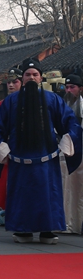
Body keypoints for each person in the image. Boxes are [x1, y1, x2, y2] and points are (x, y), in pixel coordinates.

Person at [0, 58, 81, 244]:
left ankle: (48, 230)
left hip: (47, 158)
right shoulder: (11, 101)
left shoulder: (52, 99)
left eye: (35, 75)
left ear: (40, 78)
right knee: (22, 195)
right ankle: (22, 230)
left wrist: (69, 139)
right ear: (22, 78)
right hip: (19, 160)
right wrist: (0, 145)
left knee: (48, 194)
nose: (31, 77)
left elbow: (71, 122)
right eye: (27, 75)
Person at [0, 67, 22, 225]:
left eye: (15, 82)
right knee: (3, 178)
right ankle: (3, 211)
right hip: (8, 144)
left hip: (24, 145)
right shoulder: (2, 104)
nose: (11, 85)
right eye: (8, 82)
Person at [61, 73, 83, 233]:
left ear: (80, 89)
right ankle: (64, 223)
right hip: (63, 152)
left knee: (78, 189)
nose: (68, 90)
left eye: (72, 87)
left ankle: (77, 224)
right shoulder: (61, 105)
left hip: (80, 152)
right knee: (64, 188)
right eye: (67, 87)